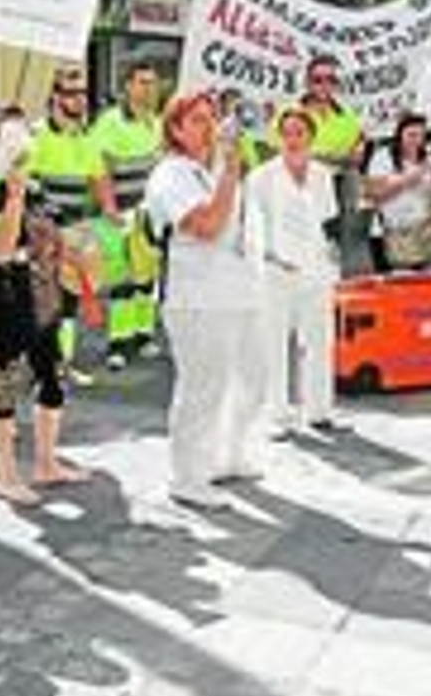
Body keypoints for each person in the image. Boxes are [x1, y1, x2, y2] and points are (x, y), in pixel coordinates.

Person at [145, 92, 266, 512]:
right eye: (197, 120)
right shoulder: (170, 174)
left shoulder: (210, 168)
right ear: (175, 130)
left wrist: (230, 163)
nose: (209, 127)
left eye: (211, 119)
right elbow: (209, 226)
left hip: (236, 291)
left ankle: (226, 457)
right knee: (202, 388)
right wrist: (231, 168)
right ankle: (187, 477)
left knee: (248, 380)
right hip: (195, 298)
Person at [0, 117, 91, 505]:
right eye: (15, 150)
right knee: (3, 385)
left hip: (42, 296)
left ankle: (45, 463)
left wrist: (78, 260)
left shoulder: (37, 188)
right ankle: (4, 475)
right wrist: (14, 201)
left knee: (52, 378)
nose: (24, 156)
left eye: (26, 149)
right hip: (0, 296)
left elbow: (58, 233)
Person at [248, 108, 342, 435]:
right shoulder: (261, 177)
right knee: (274, 342)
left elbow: (329, 222)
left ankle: (319, 410)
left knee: (319, 340)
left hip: (316, 270)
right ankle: (277, 414)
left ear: (311, 137)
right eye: (286, 133)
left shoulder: (322, 175)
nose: (292, 139)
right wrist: (269, 257)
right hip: (276, 271)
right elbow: (251, 227)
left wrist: (330, 259)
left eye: (299, 132)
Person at [27, 66, 120, 375]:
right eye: (71, 94)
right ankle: (43, 361)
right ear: (55, 97)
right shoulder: (36, 135)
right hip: (41, 230)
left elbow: (99, 177)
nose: (79, 100)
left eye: (83, 94)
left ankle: (60, 361)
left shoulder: (87, 137)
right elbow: (23, 185)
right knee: (45, 300)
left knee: (68, 299)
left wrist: (109, 209)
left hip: (76, 229)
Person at [90, 61, 165, 364]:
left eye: (153, 83)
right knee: (121, 279)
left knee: (146, 277)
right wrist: (107, 206)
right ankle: (119, 343)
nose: (149, 89)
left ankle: (143, 334)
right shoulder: (110, 121)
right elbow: (100, 168)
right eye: (142, 82)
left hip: (149, 213)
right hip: (119, 211)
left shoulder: (156, 121)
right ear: (128, 86)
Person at [297, 55, 370, 276]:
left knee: (350, 252)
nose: (324, 85)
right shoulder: (291, 113)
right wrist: (337, 158)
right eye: (317, 79)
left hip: (342, 193)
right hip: (304, 193)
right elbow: (289, 155)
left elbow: (357, 155)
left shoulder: (348, 117)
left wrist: (326, 157)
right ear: (307, 83)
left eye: (330, 79)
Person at [364, 113, 431, 272]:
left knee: (421, 285)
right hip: (390, 232)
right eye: (411, 135)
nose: (416, 141)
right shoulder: (382, 157)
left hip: (421, 233)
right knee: (392, 287)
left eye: (421, 135)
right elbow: (373, 194)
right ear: (399, 134)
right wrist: (406, 180)